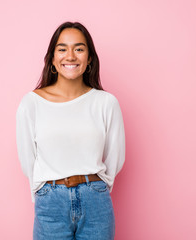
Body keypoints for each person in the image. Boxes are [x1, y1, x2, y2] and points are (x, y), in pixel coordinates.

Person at [16, 21, 126, 240]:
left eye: (79, 48)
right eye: (62, 49)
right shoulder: (32, 103)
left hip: (96, 200)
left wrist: (96, 190)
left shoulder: (105, 103)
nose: (71, 56)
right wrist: (43, 193)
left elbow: (116, 157)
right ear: (53, 60)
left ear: (89, 58)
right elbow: (28, 160)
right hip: (50, 201)